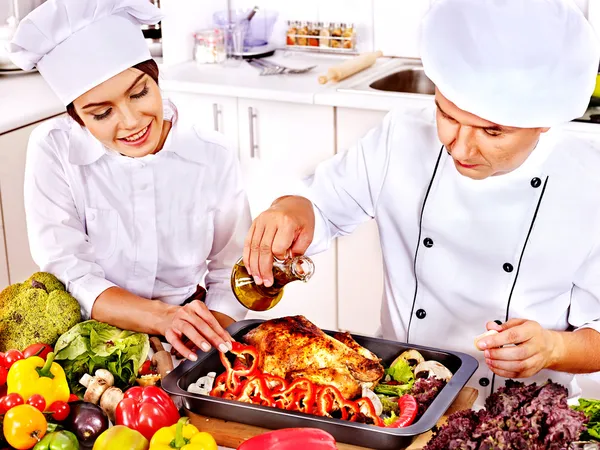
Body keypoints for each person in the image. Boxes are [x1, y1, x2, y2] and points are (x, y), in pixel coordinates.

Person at [244, 0, 600, 399]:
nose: (459, 147)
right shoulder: (400, 136)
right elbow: (321, 205)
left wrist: (555, 348)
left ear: (542, 122)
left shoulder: (588, 183)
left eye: (492, 132)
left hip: (520, 413)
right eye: (446, 115)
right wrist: (288, 211)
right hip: (400, 397)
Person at [7, 0, 251, 360]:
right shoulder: (54, 150)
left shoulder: (212, 155)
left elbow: (231, 272)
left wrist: (200, 352)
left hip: (190, 337)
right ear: (77, 117)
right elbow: (70, 270)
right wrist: (160, 318)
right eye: (102, 113)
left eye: (140, 93)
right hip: (91, 348)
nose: (132, 121)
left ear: (155, 78)